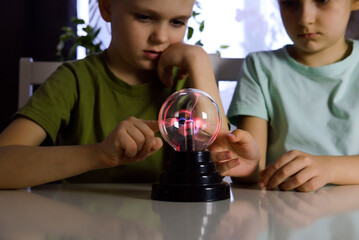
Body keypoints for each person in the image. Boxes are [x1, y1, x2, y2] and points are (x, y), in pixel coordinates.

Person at [0, 0, 247, 189]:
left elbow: (220, 156)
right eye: (144, 17)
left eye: (177, 22)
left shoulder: (187, 88)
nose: (161, 37)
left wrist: (198, 58)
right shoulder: (74, 81)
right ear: (107, 7)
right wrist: (98, 154)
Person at [227, 0, 359, 192]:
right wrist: (243, 163)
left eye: (322, 1)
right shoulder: (260, 66)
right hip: (281, 211)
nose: (305, 18)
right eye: (290, 3)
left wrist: (329, 168)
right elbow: (253, 169)